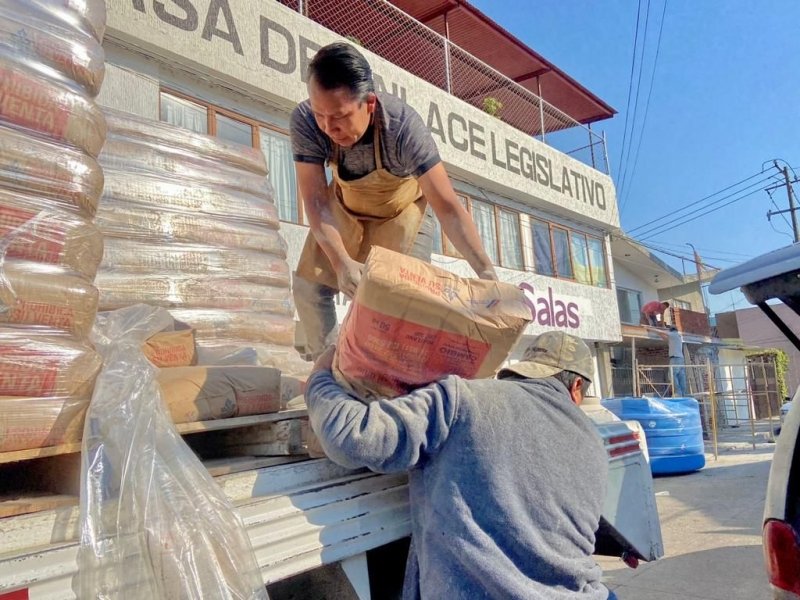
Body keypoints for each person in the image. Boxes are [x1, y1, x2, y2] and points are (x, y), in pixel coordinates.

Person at [305, 331, 615, 599]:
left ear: (526, 371)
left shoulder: (463, 398)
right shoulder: (594, 443)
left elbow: (353, 436)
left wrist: (320, 378)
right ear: (576, 387)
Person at [290, 42, 498, 359]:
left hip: (402, 213)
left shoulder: (402, 129)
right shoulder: (306, 121)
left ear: (369, 103)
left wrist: (487, 275)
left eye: (340, 116)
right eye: (320, 114)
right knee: (308, 287)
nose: (329, 127)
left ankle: (391, 378)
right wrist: (341, 263)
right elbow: (316, 202)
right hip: (343, 209)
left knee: (403, 300)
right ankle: (330, 370)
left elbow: (448, 207)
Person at [651, 325, 687, 397]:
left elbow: (663, 332)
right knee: (680, 376)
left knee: (672, 375)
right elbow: (665, 337)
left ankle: (678, 393)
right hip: (680, 358)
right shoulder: (677, 337)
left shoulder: (674, 334)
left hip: (675, 358)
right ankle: (683, 393)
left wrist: (651, 329)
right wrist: (659, 333)